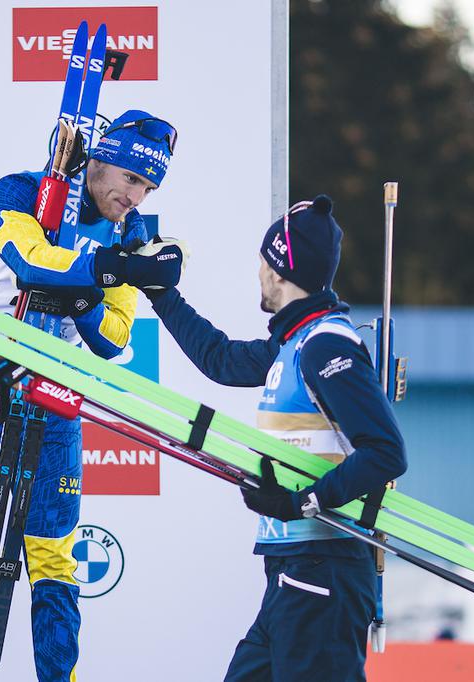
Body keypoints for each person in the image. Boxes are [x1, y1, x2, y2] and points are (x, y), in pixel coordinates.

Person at [0, 110, 182, 682]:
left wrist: (86, 297)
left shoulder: (130, 231)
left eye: (148, 187)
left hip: (52, 387)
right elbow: (26, 262)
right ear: (99, 158)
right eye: (131, 179)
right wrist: (109, 269)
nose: (135, 197)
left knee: (51, 553)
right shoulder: (17, 192)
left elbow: (113, 341)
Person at [145, 195, 407, 681]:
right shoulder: (294, 343)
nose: (258, 273)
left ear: (280, 270)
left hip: (322, 568)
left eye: (262, 263)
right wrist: (161, 294)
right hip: (292, 572)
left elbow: (386, 452)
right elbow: (220, 360)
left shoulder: (325, 344)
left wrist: (301, 502)